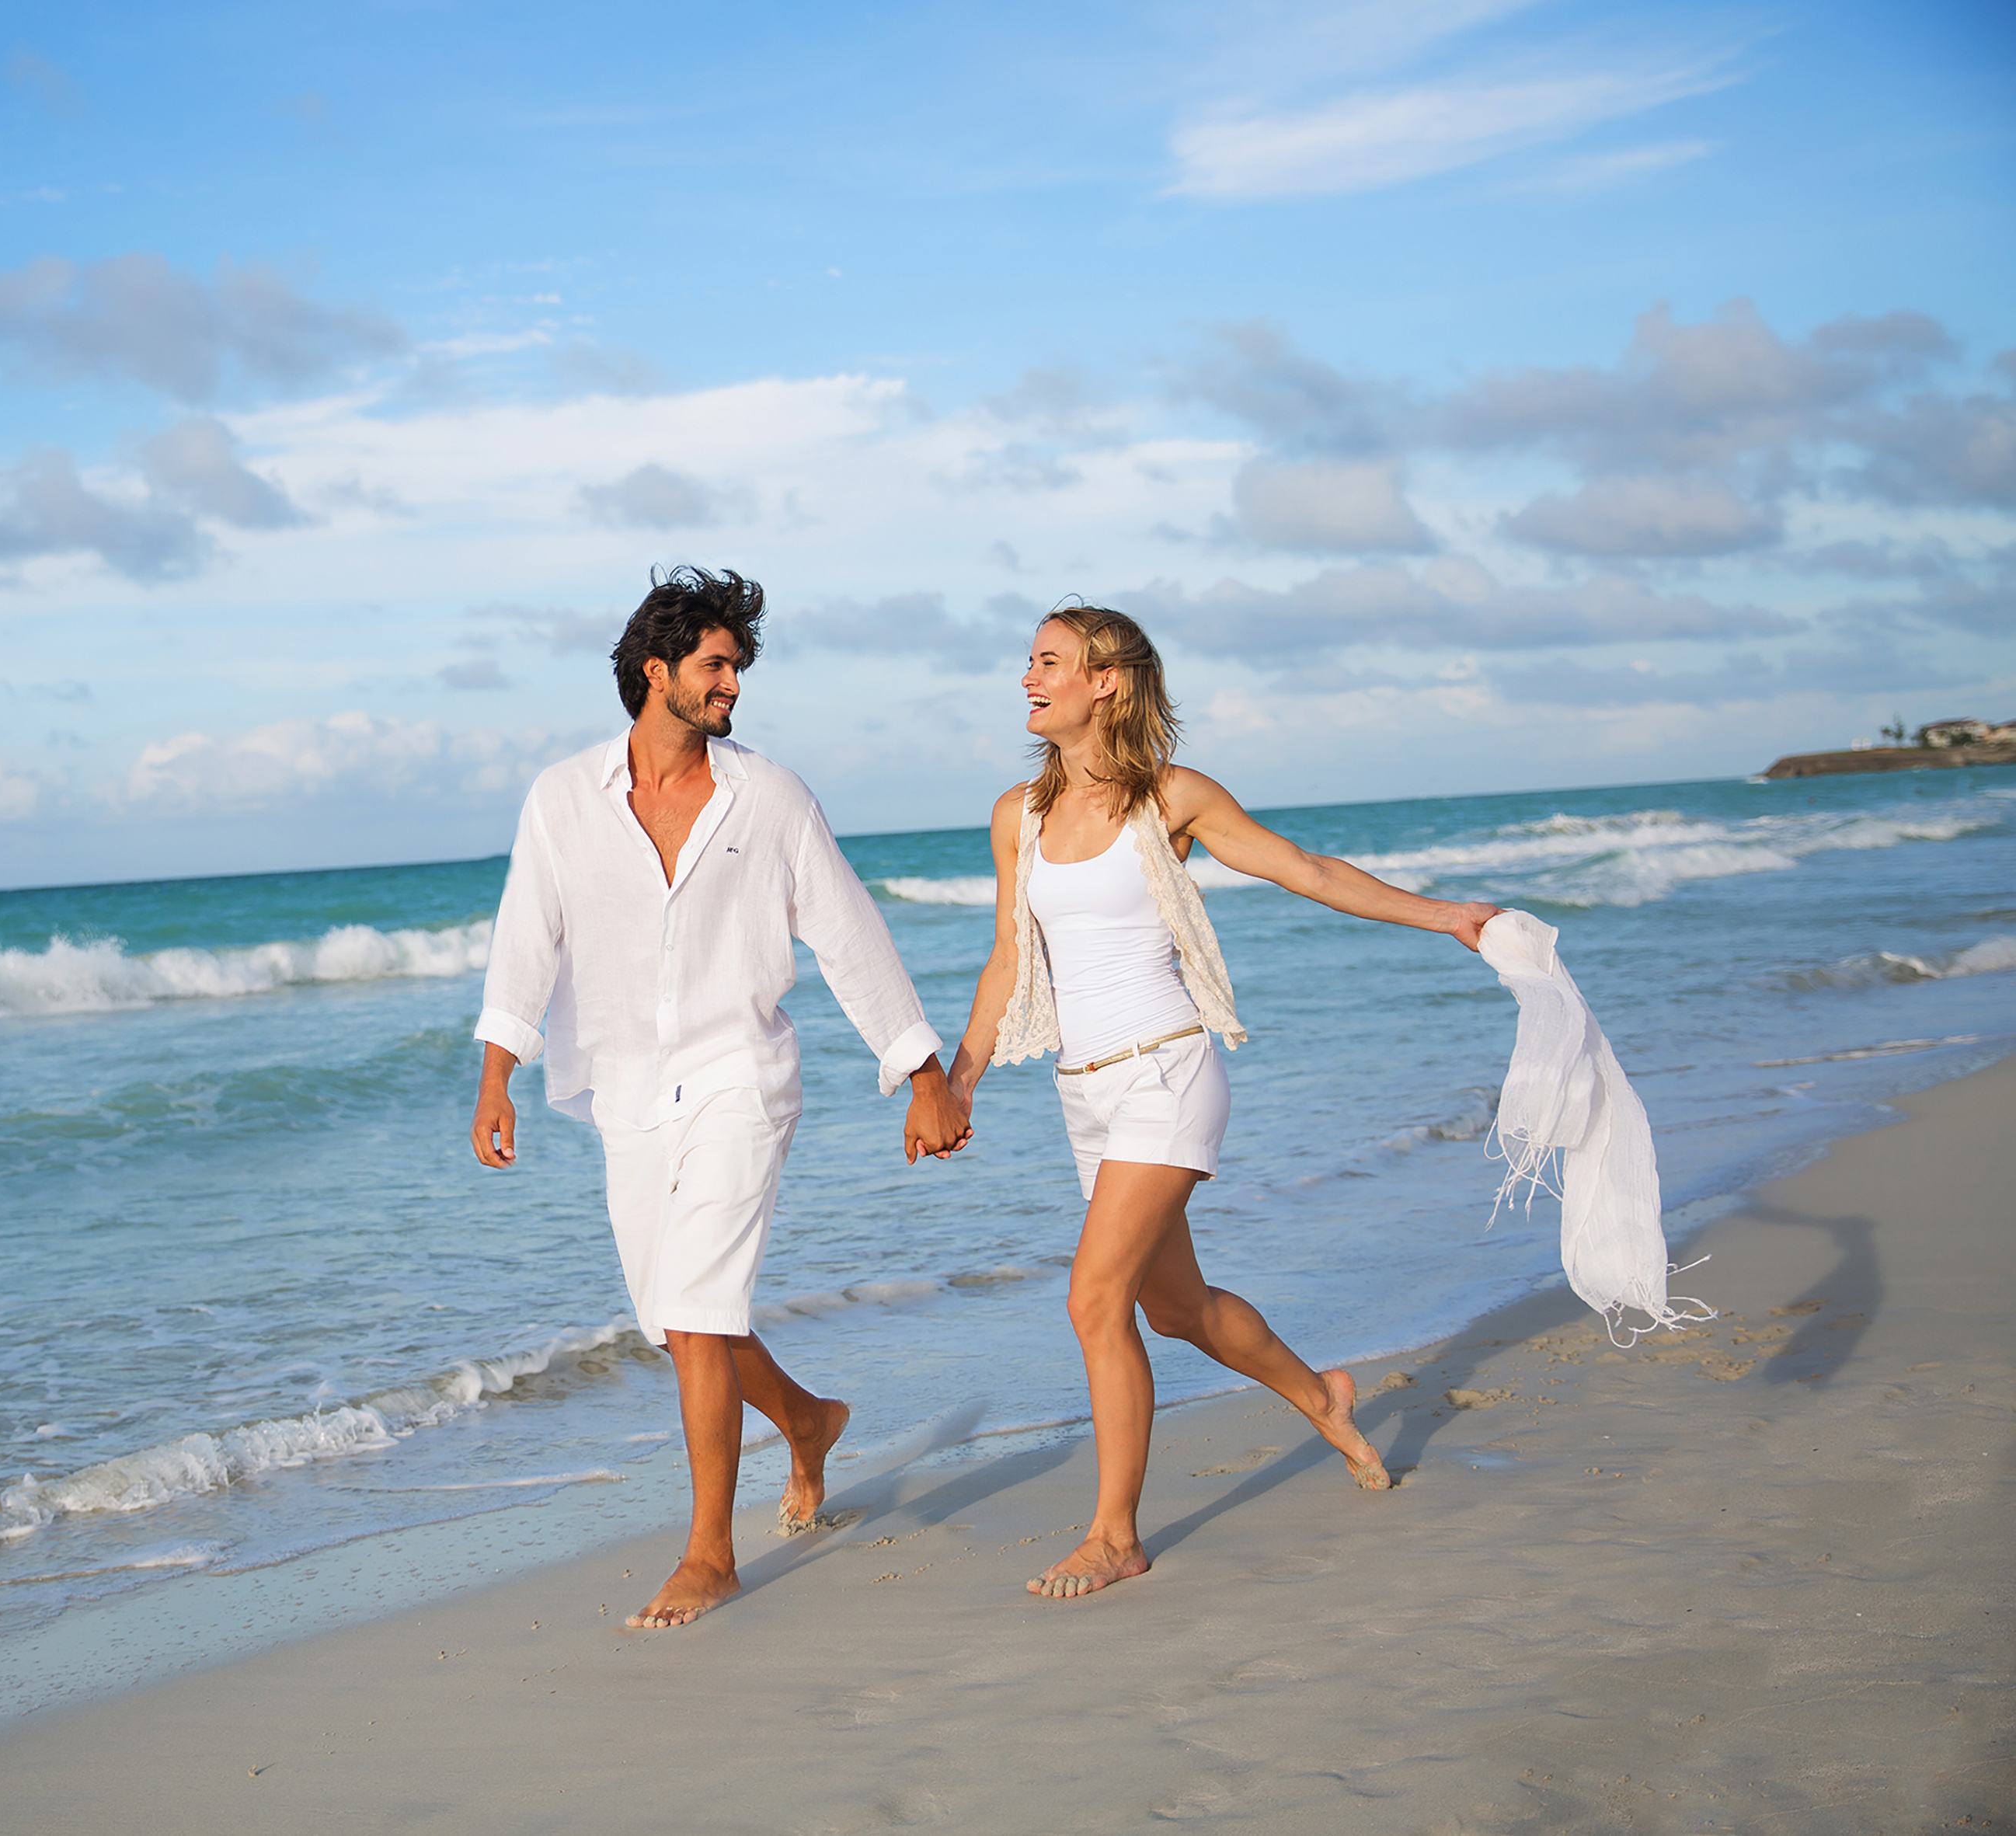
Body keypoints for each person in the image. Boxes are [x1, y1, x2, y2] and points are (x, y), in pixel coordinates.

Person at [942, 604, 1499, 1600]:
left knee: (1093, 1299)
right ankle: (1323, 1394)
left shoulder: (1172, 797)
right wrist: (961, 1074)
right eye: (1029, 661)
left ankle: (1115, 1533)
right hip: (1085, 1092)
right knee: (1177, 1308)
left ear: (1106, 679)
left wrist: (1445, 914)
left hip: (1168, 1070)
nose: (1030, 677)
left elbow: (1305, 868)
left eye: (1051, 662)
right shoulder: (1015, 815)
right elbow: (1009, 957)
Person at [469, 566, 970, 1629]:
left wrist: (918, 1067)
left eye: (736, 665)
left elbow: (846, 931)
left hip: (742, 1074)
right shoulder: (562, 798)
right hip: (626, 1089)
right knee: (676, 1321)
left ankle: (709, 1551)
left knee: (698, 1309)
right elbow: (525, 934)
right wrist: (496, 1074)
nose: (730, 683)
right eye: (713, 664)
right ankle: (805, 1418)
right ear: (653, 672)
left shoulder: (770, 797)